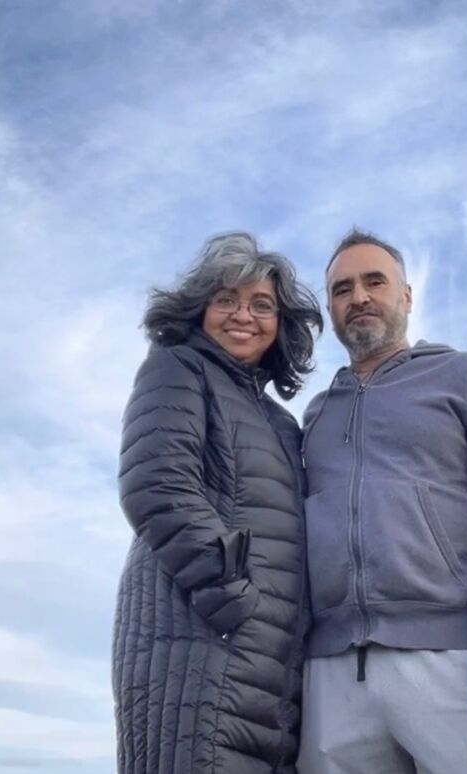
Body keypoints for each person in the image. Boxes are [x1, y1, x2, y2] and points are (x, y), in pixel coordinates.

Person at [297, 229, 467, 773]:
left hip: (452, 660)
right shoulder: (316, 415)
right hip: (333, 672)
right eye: (342, 289)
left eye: (375, 281)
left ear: (406, 296)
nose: (359, 296)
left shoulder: (465, 377)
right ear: (331, 309)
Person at [112, 232, 323, 774]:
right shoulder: (178, 367)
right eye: (226, 299)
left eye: (262, 305)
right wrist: (234, 601)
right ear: (199, 308)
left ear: (282, 323)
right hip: (197, 643)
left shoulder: (281, 422)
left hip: (271, 667)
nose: (243, 315)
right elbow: (157, 484)